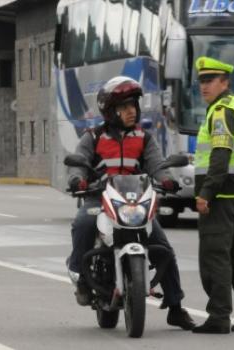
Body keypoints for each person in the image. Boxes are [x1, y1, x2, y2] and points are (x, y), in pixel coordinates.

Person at [66, 76, 195, 330]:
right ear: (111, 111)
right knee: (83, 223)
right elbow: (79, 163)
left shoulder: (144, 138)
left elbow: (157, 165)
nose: (131, 111)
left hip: (134, 200)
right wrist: (77, 180)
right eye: (124, 107)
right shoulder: (93, 137)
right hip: (99, 198)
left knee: (162, 248)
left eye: (133, 106)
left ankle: (176, 307)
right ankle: (81, 277)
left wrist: (167, 180)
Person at [192, 56, 234, 334]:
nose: (204, 87)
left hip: (222, 197)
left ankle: (219, 317)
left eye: (210, 81)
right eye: (202, 82)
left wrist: (206, 192)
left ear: (225, 82)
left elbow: (221, 154)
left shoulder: (221, 111)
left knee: (215, 257)